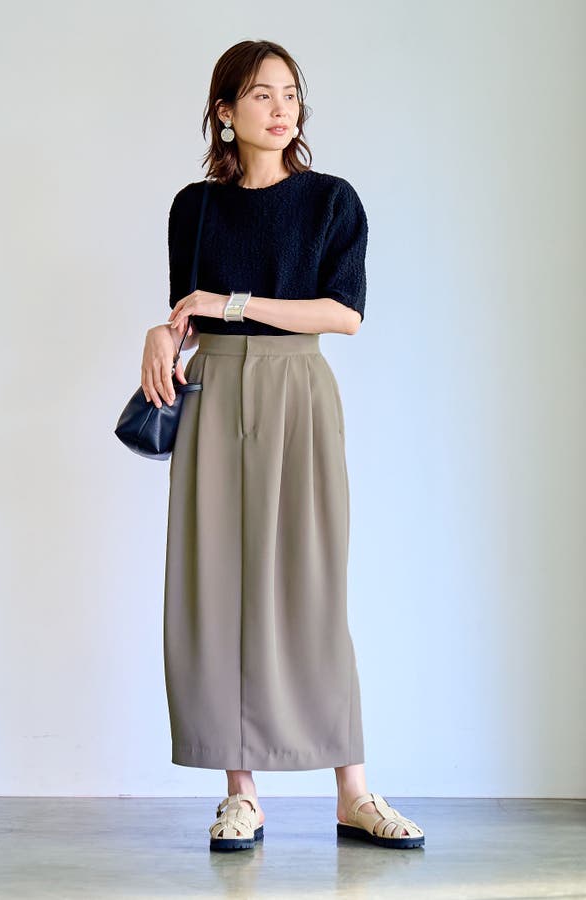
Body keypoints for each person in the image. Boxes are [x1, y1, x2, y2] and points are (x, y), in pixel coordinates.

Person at [140, 40, 425, 852]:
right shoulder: (194, 208)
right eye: (261, 94)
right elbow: (188, 317)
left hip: (298, 390)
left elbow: (344, 314)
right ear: (225, 112)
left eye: (290, 93)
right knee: (217, 585)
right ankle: (242, 795)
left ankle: (353, 793)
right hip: (214, 392)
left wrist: (232, 303)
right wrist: (160, 335)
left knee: (313, 583)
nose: (280, 108)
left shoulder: (331, 201)